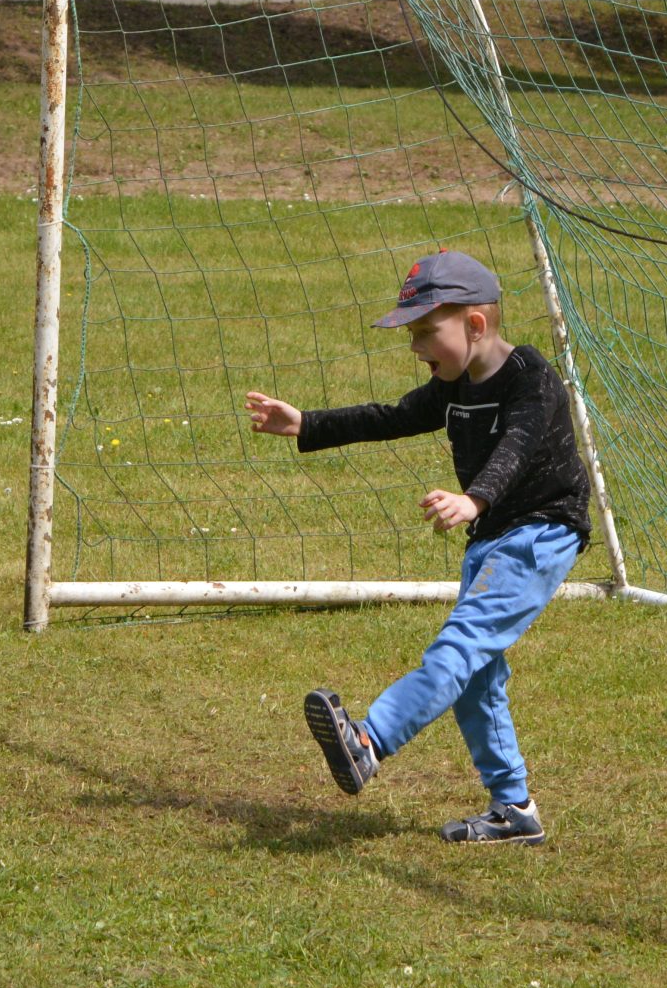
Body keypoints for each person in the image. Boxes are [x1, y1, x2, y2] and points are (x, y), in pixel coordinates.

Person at [244, 250, 592, 845]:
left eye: (426, 332)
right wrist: (307, 423)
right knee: (475, 679)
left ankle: (369, 740)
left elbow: (519, 444)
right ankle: (515, 810)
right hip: (491, 538)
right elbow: (391, 416)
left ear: (475, 324)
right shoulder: (452, 386)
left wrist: (475, 499)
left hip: (539, 531)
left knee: (456, 652)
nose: (415, 348)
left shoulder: (530, 378)